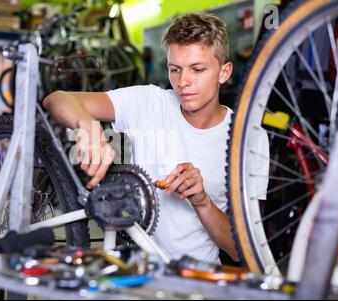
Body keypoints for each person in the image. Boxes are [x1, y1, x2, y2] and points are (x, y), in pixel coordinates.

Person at [43, 12, 269, 264]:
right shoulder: (150, 102)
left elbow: (244, 251)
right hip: (132, 271)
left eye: (197, 69)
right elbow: (57, 98)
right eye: (175, 69)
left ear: (224, 72)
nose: (183, 82)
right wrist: (87, 125)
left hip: (194, 278)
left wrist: (202, 201)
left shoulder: (250, 139)